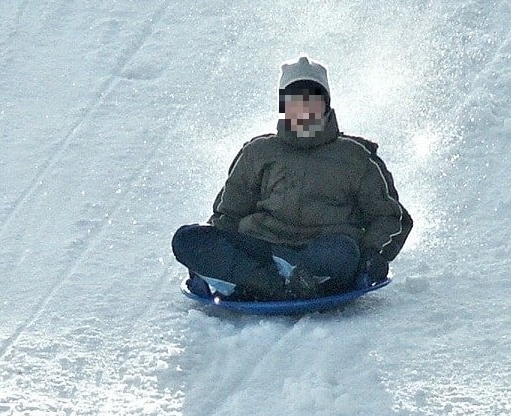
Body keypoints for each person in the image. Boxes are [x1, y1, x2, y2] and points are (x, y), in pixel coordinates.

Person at [172, 56, 412, 301]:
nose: (304, 111)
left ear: (326, 106)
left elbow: (390, 217)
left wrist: (375, 255)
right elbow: (229, 215)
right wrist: (211, 251)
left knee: (343, 253)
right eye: (295, 103)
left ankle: (262, 282)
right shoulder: (259, 152)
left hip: (320, 252)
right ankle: (274, 283)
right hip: (262, 247)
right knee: (187, 239)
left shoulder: (354, 157)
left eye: (312, 103)